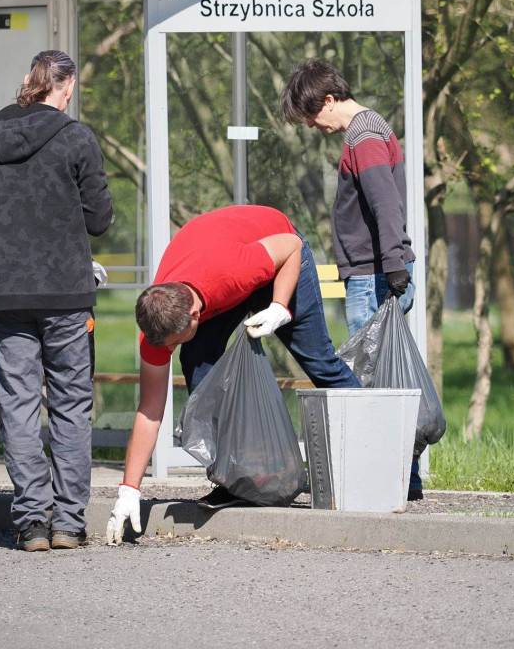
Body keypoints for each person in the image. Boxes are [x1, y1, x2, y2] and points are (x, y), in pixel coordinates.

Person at [105, 205, 360, 545]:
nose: (169, 349)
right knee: (197, 361)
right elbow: (150, 410)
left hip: (278, 251)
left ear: (195, 315)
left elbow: (290, 247)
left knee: (318, 361)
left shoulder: (232, 272)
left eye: (174, 341)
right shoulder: (157, 325)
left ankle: (371, 460)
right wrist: (129, 490)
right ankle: (238, 478)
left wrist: (280, 308)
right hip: (223, 264)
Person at [0, 49, 112, 552]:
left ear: (30, 82)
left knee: (20, 407)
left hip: (4, 295)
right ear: (63, 87)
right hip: (66, 293)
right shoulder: (76, 137)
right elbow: (99, 219)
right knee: (70, 405)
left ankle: (32, 524)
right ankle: (68, 522)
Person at [282, 58, 423, 500]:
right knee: (384, 379)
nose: (311, 126)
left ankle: (390, 481)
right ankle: (402, 479)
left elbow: (384, 204)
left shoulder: (363, 135)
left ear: (328, 100)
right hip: (378, 269)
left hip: (375, 274)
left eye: (311, 116)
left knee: (370, 384)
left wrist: (393, 263)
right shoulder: (371, 130)